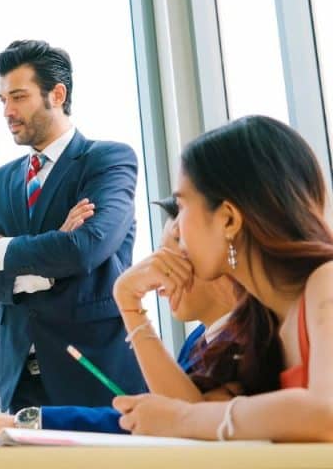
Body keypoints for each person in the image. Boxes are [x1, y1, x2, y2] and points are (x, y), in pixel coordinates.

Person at [0, 197, 282, 446]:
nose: (158, 272)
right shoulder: (199, 341)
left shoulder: (259, 338)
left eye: (175, 247)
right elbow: (162, 421)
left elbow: (184, 424)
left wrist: (129, 303)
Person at [114, 115, 333, 442]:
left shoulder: (326, 282)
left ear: (229, 219)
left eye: (183, 205)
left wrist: (181, 418)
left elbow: (326, 414)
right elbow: (198, 422)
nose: (176, 228)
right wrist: (128, 304)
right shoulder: (260, 322)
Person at [0, 39, 144, 413]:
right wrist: (38, 268)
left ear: (57, 94)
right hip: (18, 386)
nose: (7, 110)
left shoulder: (107, 161)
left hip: (94, 378)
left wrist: (2, 250)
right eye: (2, 99)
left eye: (19, 97)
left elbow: (84, 248)